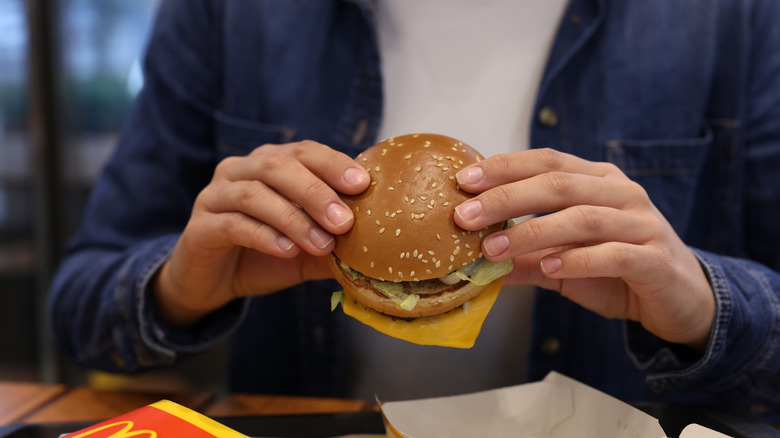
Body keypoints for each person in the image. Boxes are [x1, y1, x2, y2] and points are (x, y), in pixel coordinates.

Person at [48, 0, 780, 415]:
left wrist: (705, 310)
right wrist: (179, 291)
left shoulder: (735, 17)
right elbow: (77, 313)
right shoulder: (230, 12)